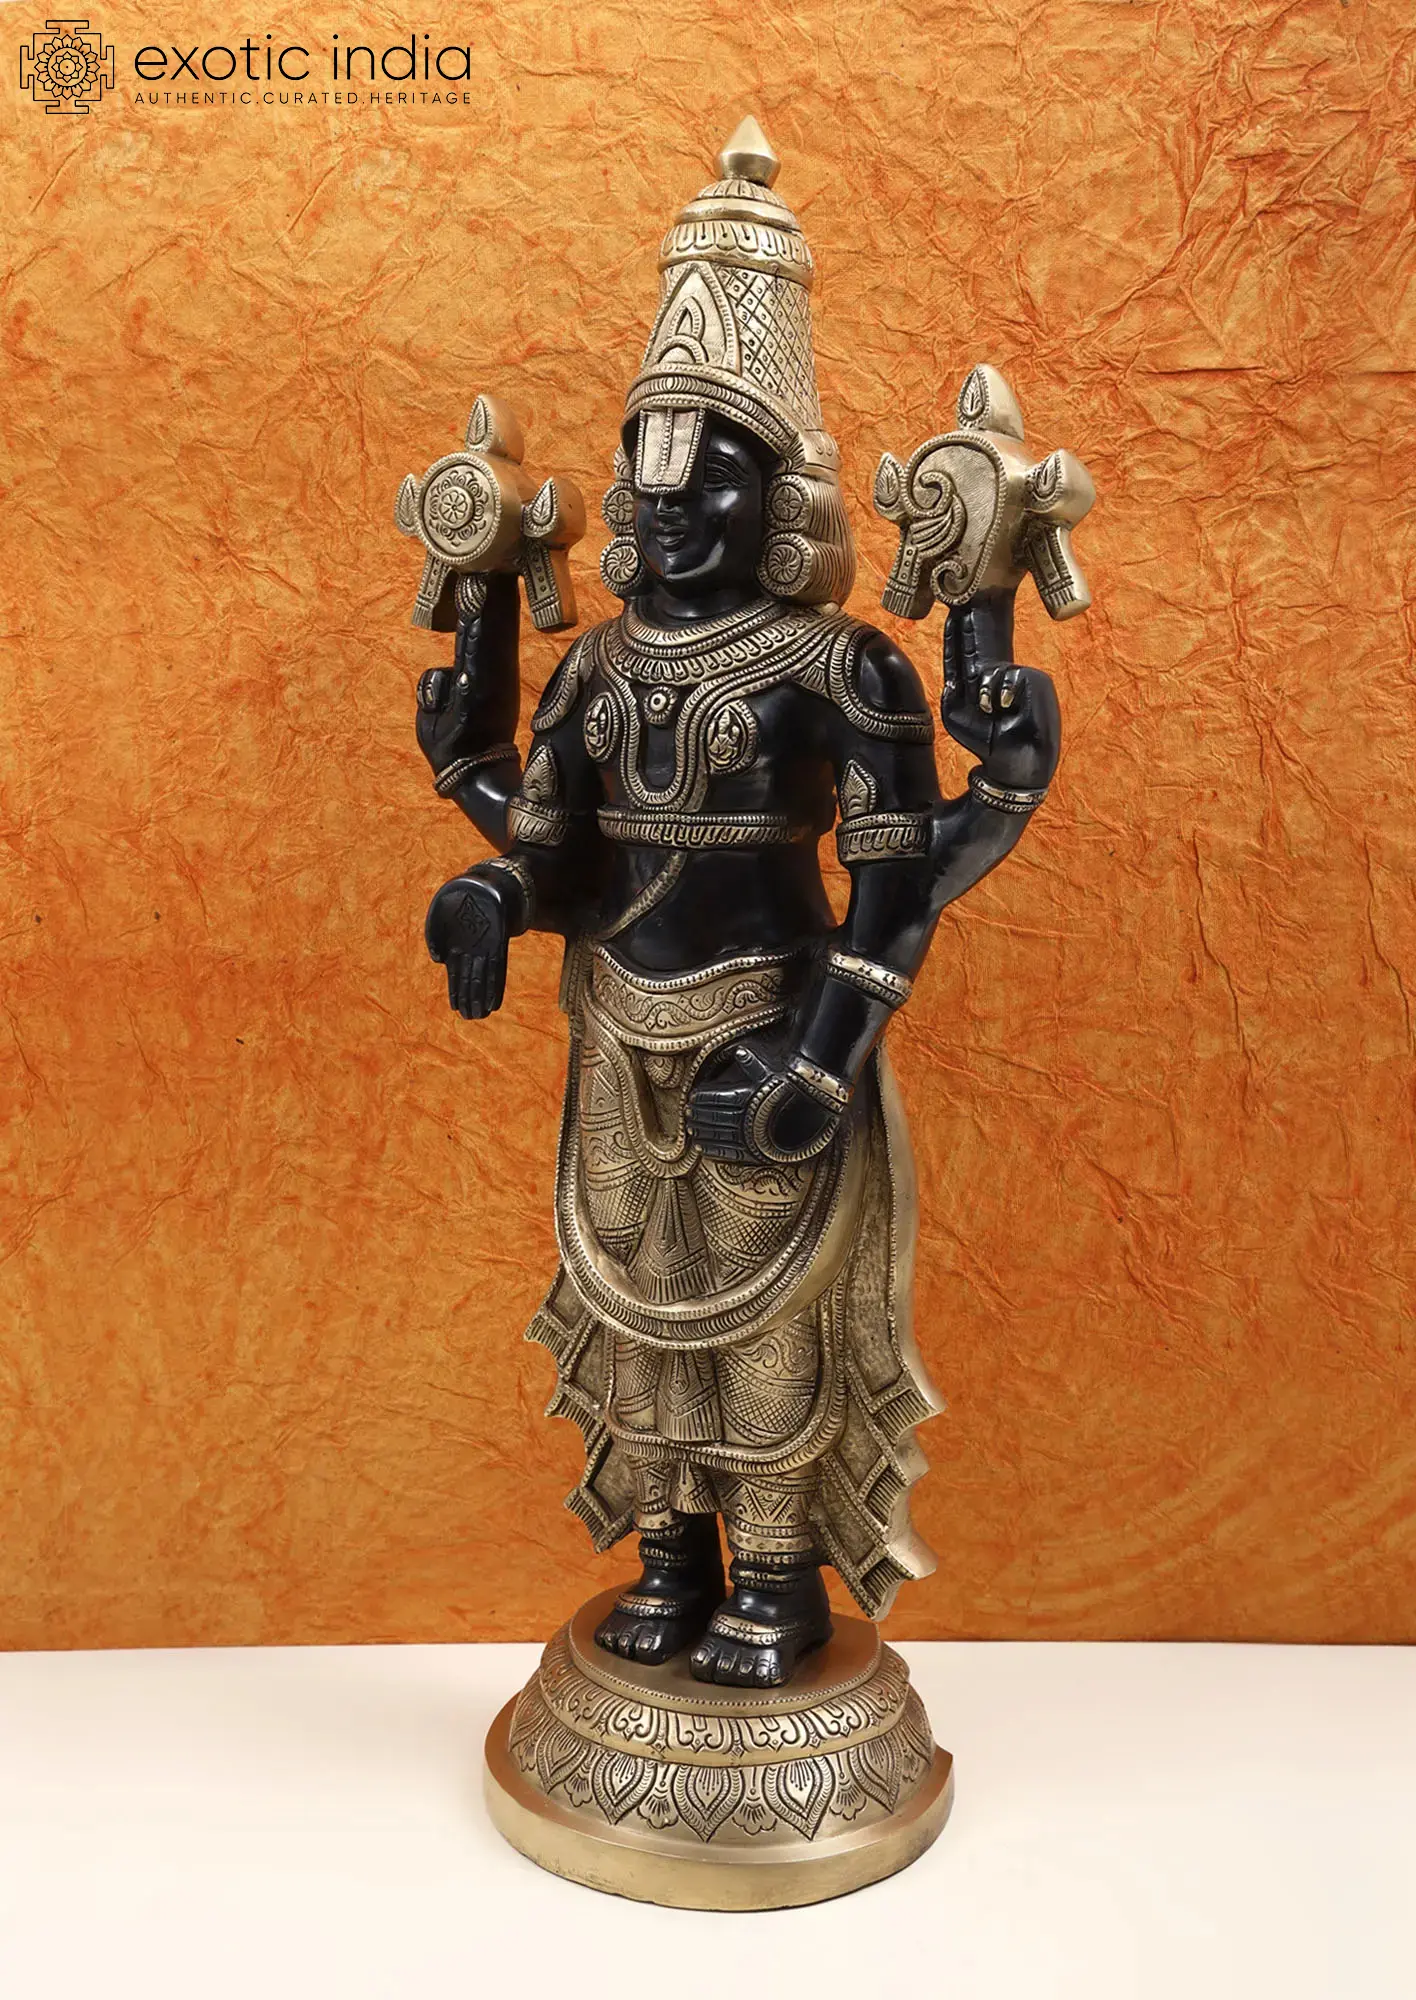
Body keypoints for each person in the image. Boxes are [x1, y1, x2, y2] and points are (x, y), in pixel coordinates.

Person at [413, 121, 1060, 1688]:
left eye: (709, 474)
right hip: (614, 1039)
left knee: (770, 1324)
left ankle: (772, 1583)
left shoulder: (840, 668)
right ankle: (671, 1562)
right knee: (638, 1306)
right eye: (649, 471)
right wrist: (495, 886)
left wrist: (817, 1065)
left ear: (782, 497)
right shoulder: (595, 668)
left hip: (770, 1029)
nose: (666, 507)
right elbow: (567, 856)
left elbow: (892, 893)